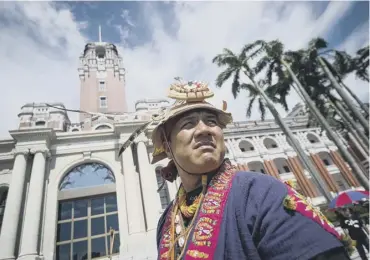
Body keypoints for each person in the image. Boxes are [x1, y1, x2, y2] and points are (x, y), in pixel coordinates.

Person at [119, 79, 354, 260]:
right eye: (188, 124)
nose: (204, 130)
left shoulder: (261, 193)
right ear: (167, 147)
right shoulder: (166, 221)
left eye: (211, 122)